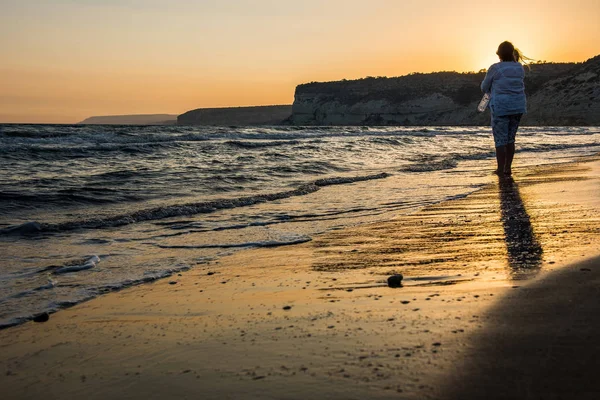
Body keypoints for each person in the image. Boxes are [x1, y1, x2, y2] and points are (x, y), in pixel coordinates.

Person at [481, 41, 528, 176]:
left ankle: (501, 169)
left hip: (501, 107)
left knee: (500, 140)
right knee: (510, 139)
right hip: (518, 106)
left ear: (499, 53)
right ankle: (508, 168)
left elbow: (484, 87)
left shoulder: (495, 68)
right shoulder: (519, 67)